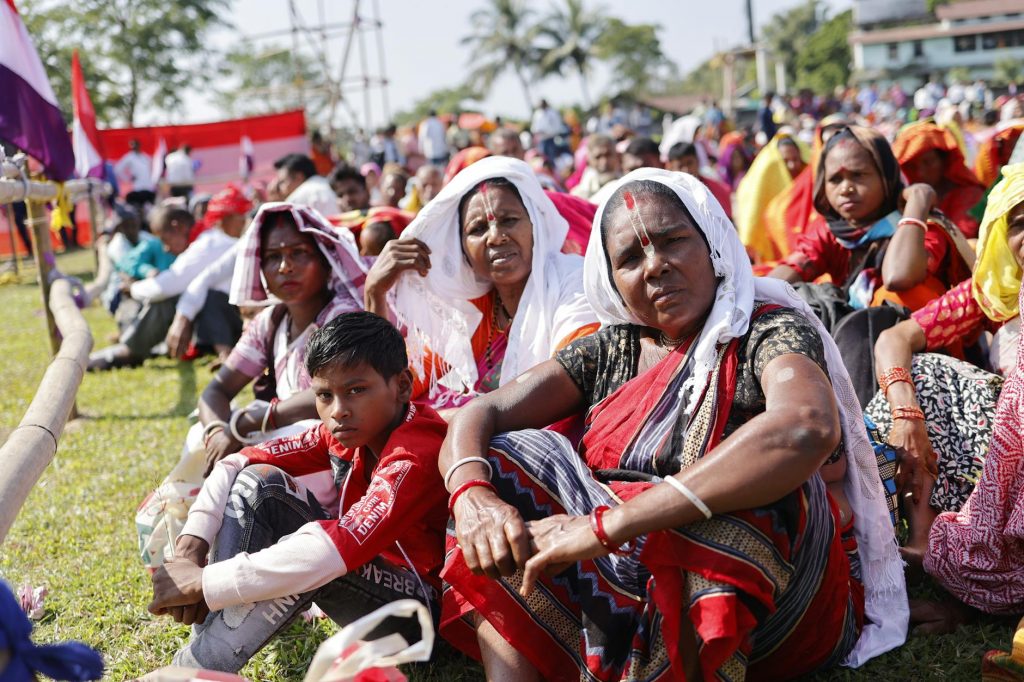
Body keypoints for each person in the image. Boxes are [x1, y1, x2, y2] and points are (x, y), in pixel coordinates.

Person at [439, 169, 905, 680]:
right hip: (624, 566)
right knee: (502, 460)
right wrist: (473, 500)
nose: (656, 267)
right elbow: (480, 413)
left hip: (765, 598)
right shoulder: (614, 347)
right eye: (631, 259)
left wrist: (608, 526)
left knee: (747, 503)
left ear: (712, 245)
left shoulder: (765, 327)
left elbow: (806, 426)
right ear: (612, 279)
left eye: (673, 242)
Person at [149, 312, 452, 673]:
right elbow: (236, 463)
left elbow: (335, 551)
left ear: (402, 386)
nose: (338, 410)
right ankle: (205, 654)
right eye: (325, 395)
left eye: (356, 390)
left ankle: (191, 669)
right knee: (259, 482)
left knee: (314, 557)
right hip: (376, 589)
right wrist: (189, 550)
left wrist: (204, 581)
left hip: (426, 619)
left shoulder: (415, 451)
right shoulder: (344, 432)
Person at [865, 164, 1024, 569]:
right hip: (1001, 458)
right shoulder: (994, 293)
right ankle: (922, 539)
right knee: (922, 374)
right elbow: (894, 338)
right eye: (1020, 222)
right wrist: (907, 415)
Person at [364, 156, 598, 408]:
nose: (496, 237)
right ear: (462, 249)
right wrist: (375, 293)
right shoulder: (473, 313)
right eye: (478, 229)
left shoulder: (573, 283)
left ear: (535, 225)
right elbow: (393, 390)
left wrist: (463, 420)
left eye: (509, 220)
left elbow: (572, 379)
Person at [769, 125, 971, 313]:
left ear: (886, 177)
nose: (846, 188)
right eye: (835, 179)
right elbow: (779, 282)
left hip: (918, 344)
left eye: (858, 175)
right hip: (851, 340)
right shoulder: (831, 231)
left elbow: (899, 277)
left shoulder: (925, 226)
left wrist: (919, 201)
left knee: (898, 296)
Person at [89, 206, 224, 370]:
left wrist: (133, 289)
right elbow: (128, 263)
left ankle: (132, 349)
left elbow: (166, 287)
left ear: (178, 227)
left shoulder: (204, 245)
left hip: (225, 317)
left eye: (165, 239)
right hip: (218, 317)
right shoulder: (204, 239)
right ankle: (137, 346)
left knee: (165, 300)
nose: (166, 248)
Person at [164, 185, 254, 363]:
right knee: (212, 296)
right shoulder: (216, 242)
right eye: (239, 217)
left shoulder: (241, 242)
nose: (244, 221)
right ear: (224, 220)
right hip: (236, 316)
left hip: (253, 314)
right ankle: (224, 353)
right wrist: (182, 318)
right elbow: (206, 278)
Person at [893, 121, 986, 238]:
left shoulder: (970, 194)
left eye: (928, 162)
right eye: (913, 166)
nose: (920, 172)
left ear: (944, 161)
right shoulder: (907, 198)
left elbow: (961, 239)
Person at [665, 142, 732, 219]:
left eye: (689, 163)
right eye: (680, 166)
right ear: (671, 167)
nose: (686, 170)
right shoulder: (666, 196)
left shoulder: (718, 190)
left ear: (698, 161)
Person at [275, 153, 338, 217]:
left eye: (282, 182)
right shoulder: (328, 184)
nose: (280, 188)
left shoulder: (297, 198)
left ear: (298, 177)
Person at [570, 134, 620, 200]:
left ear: (617, 155)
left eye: (608, 155)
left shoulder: (629, 181)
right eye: (598, 157)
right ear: (588, 160)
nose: (604, 162)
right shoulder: (578, 196)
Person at [114, 139, 155, 216]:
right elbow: (117, 169)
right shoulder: (129, 157)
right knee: (138, 210)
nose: (133, 147)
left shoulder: (145, 157)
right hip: (138, 188)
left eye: (135, 145)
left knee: (149, 211)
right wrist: (128, 179)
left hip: (148, 187)